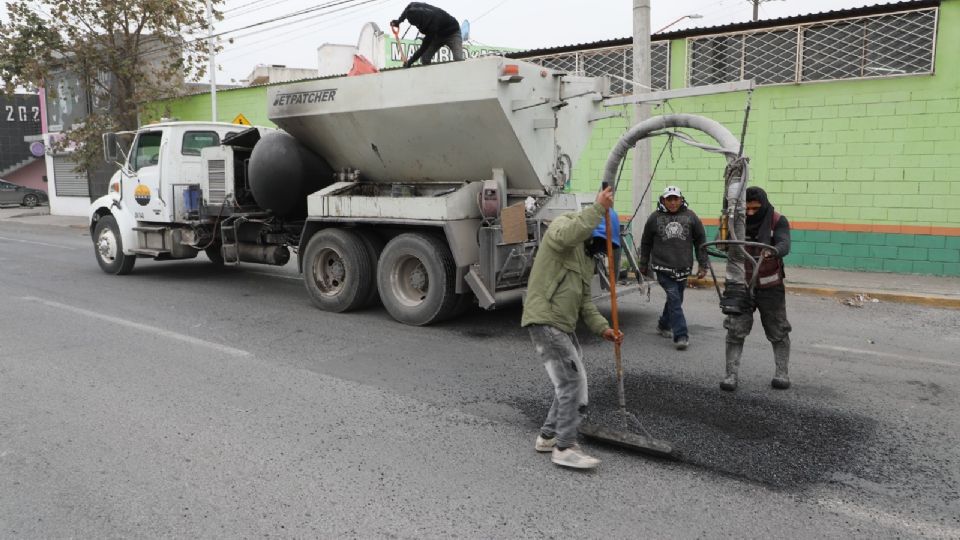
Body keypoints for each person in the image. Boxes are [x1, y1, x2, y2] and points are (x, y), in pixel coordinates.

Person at [521, 186, 623, 470]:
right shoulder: (562, 228)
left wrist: (604, 329)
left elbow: (585, 303)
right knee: (572, 383)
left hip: (562, 325)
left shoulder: (587, 258)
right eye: (601, 244)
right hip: (545, 319)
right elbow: (571, 233)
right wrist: (598, 209)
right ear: (594, 231)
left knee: (569, 380)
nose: (601, 252)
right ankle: (565, 447)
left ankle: (549, 436)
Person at [721, 186, 792, 391]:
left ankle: (782, 373)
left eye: (755, 208)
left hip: (770, 286)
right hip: (740, 285)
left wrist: (774, 250)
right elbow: (722, 244)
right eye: (747, 208)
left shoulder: (777, 220)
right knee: (735, 329)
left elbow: (784, 243)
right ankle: (730, 375)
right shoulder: (734, 222)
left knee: (778, 329)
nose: (750, 213)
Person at [638, 186, 709, 350]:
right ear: (663, 200)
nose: (672, 202)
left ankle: (663, 324)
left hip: (683, 267)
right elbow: (646, 242)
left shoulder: (690, 216)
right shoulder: (654, 218)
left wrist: (703, 264)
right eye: (668, 199)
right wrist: (643, 264)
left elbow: (701, 241)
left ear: (681, 199)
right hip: (662, 267)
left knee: (676, 299)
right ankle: (681, 335)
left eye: (675, 199)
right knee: (675, 299)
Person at [390, 3, 465, 68]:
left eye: (418, 25)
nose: (417, 27)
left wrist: (410, 62)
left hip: (452, 33)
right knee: (425, 58)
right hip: (437, 35)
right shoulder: (413, 7)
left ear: (421, 20)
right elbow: (407, 10)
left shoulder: (433, 24)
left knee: (458, 59)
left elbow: (423, 47)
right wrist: (398, 21)